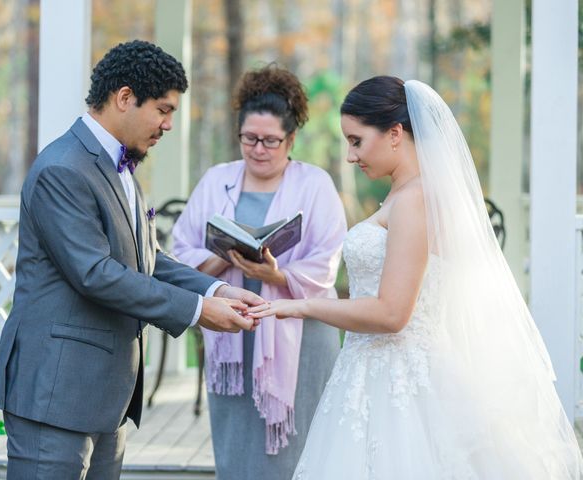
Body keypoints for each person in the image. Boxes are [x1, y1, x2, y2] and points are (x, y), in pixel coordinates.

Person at [250, 76, 583, 479]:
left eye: (356, 141)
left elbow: (392, 313)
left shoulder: (416, 199)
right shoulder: (401, 194)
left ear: (394, 134)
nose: (351, 156)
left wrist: (300, 305)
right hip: (369, 374)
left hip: (403, 382)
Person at [0, 40, 263, 480]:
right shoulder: (63, 168)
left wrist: (216, 288)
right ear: (123, 98)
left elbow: (146, 258)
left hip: (106, 397)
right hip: (55, 395)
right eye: (162, 109)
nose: (169, 124)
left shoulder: (119, 166)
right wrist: (197, 311)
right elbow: (96, 274)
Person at [172, 64, 347, 479]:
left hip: (300, 335)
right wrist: (223, 258)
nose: (259, 149)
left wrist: (274, 274)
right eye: (249, 138)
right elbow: (180, 250)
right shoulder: (217, 180)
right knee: (237, 441)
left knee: (301, 442)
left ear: (291, 139)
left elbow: (328, 259)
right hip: (234, 329)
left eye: (271, 140)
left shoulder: (315, 184)